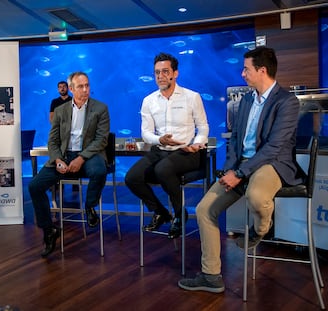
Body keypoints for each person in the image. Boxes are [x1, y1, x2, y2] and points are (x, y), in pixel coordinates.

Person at [178, 46, 301, 293]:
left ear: (262, 70)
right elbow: (234, 140)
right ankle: (211, 276)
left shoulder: (287, 102)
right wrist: (227, 170)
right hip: (240, 165)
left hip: (271, 164)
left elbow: (274, 147)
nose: (242, 73)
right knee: (204, 210)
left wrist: (241, 173)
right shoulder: (245, 100)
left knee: (256, 196)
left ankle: (261, 228)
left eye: (246, 69)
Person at [125, 52, 209, 239]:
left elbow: (203, 127)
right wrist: (160, 139)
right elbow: (146, 133)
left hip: (186, 152)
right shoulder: (149, 101)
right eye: (157, 72)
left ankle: (179, 214)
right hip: (160, 150)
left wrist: (196, 144)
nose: (160, 76)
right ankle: (161, 212)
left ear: (175, 73)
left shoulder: (192, 97)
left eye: (165, 71)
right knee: (131, 177)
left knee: (163, 170)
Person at [28, 71, 110, 258]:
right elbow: (53, 141)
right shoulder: (60, 110)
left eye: (87, 85)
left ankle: (89, 207)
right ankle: (49, 230)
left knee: (99, 170)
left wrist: (81, 158)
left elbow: (101, 140)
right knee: (34, 186)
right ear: (71, 89)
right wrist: (57, 160)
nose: (85, 89)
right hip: (63, 155)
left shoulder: (101, 108)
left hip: (89, 153)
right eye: (80, 86)